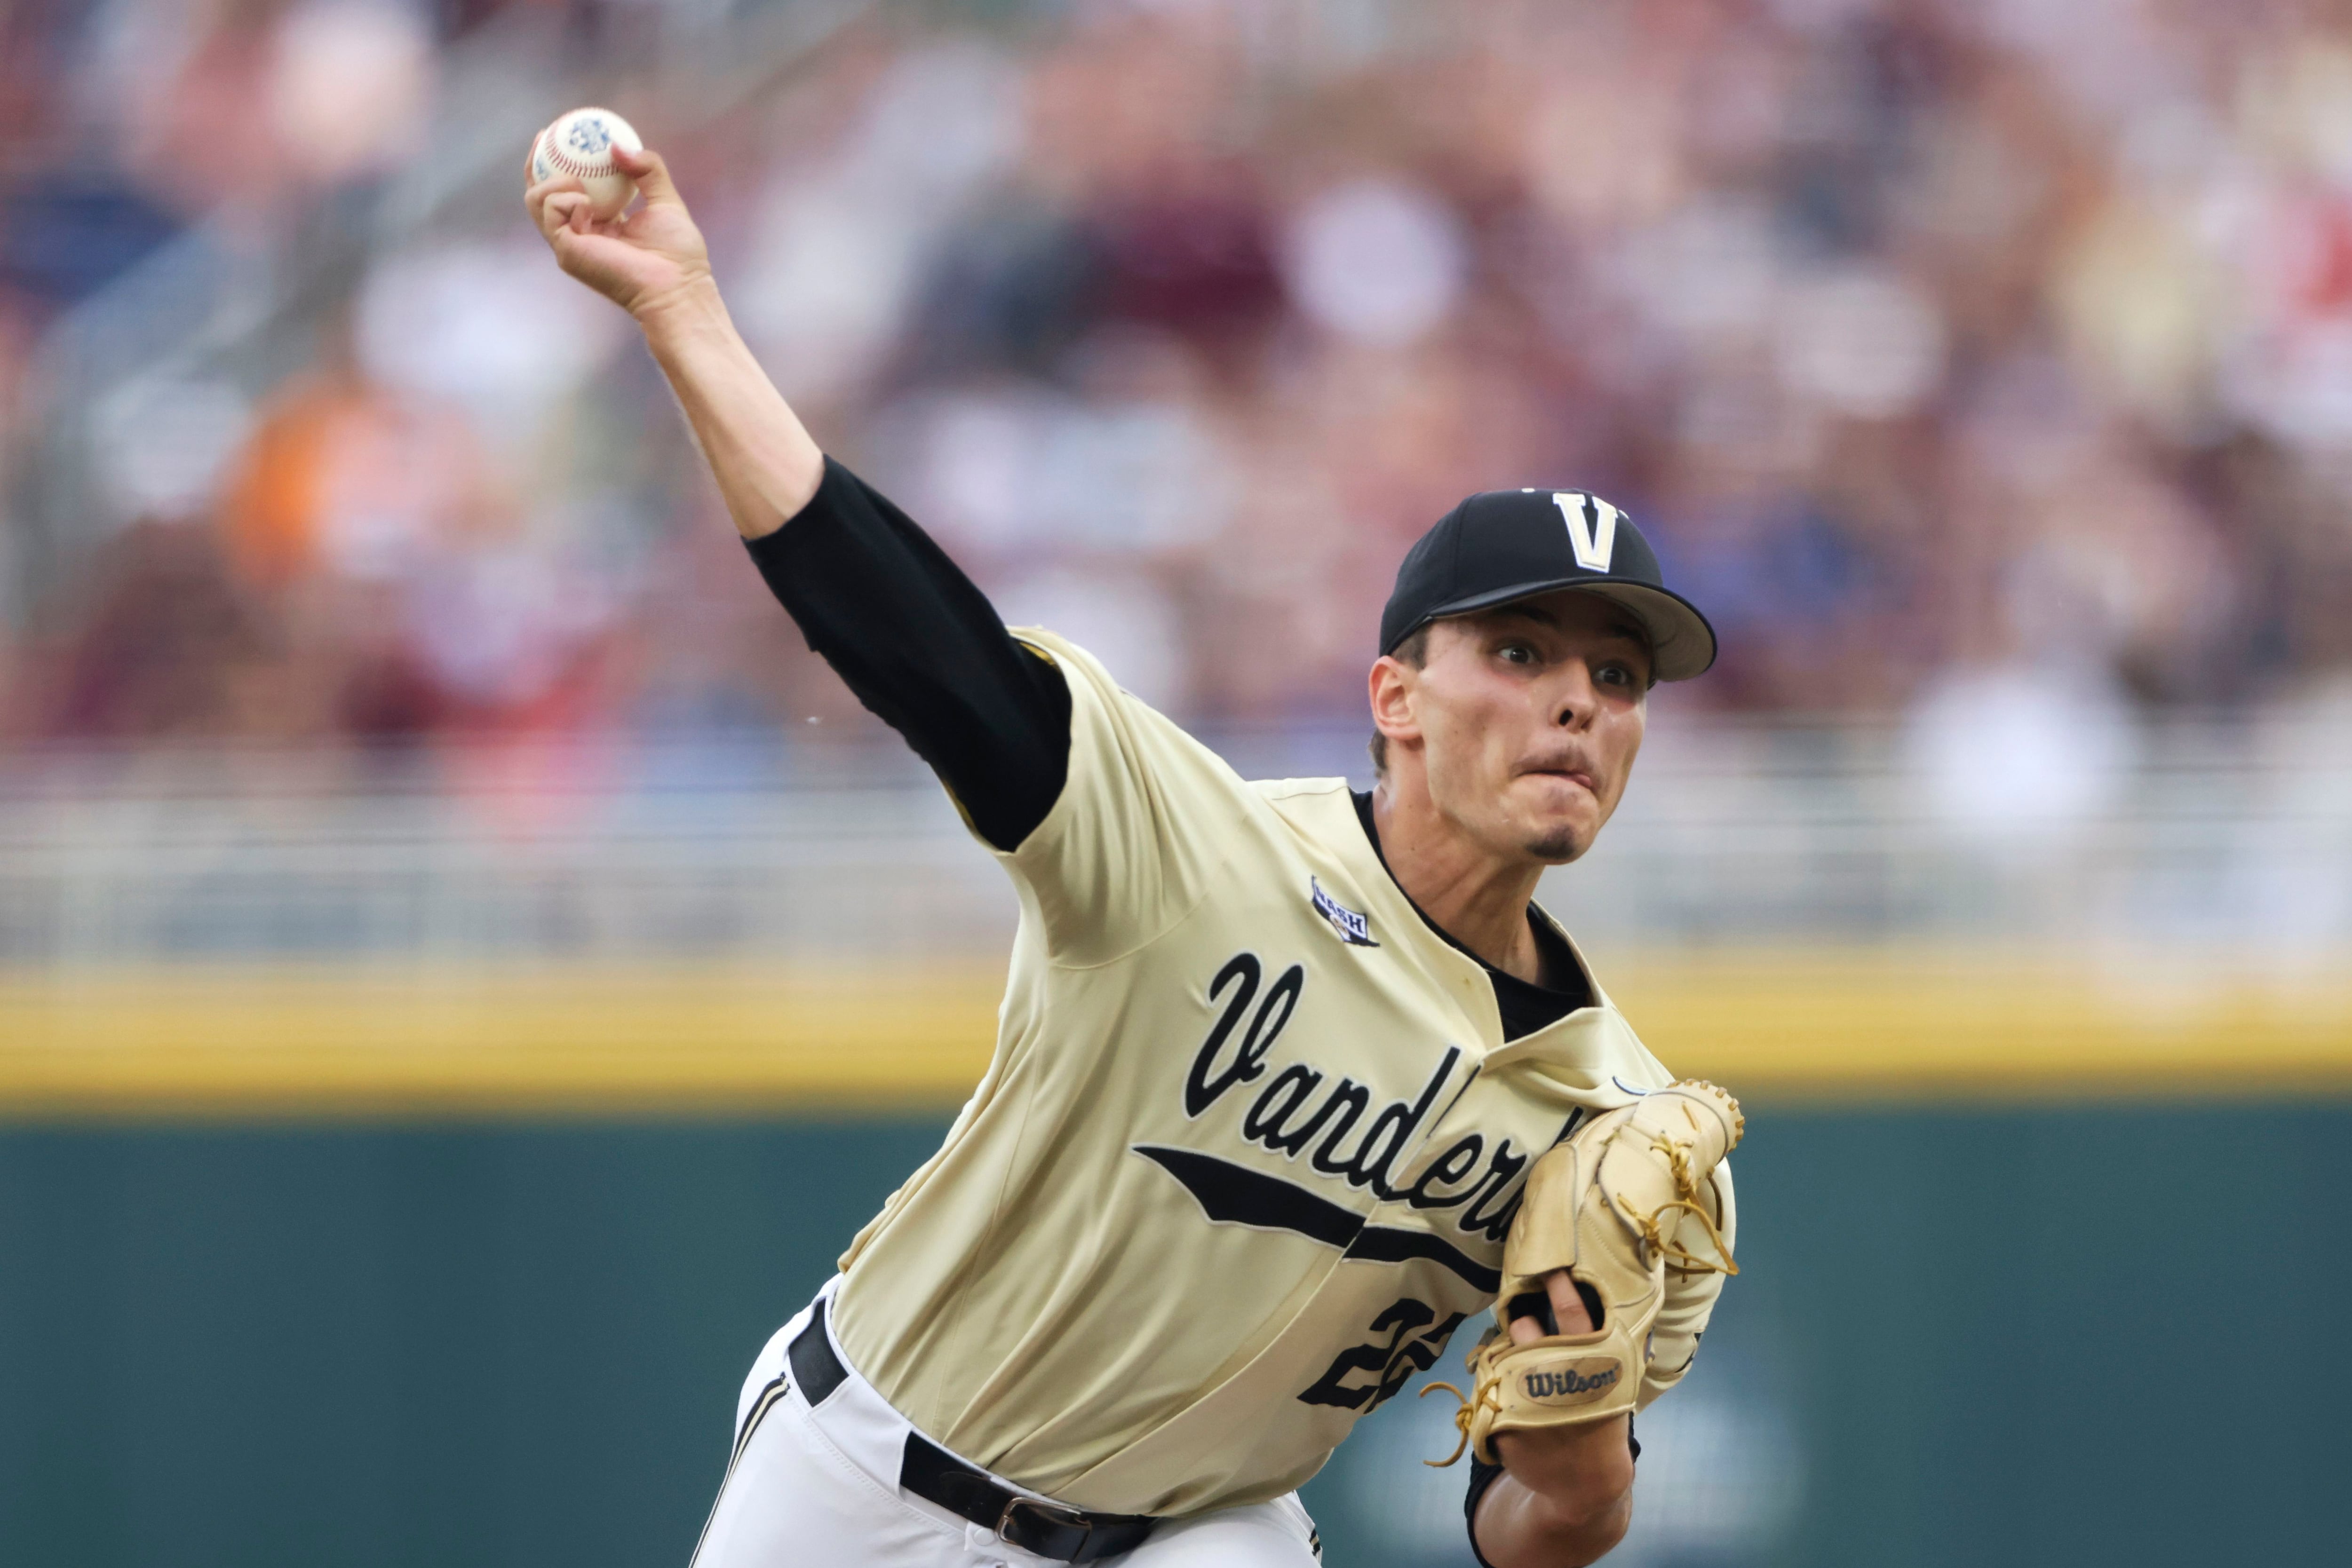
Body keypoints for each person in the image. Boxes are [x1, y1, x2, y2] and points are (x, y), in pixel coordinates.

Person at [527, 138, 1735, 1568]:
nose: (1578, 702)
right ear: (1394, 699)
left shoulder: (1610, 1120)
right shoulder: (1191, 848)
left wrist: (1584, 1449)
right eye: (1521, 651)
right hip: (876, 1474)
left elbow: (1530, 1534)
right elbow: (919, 646)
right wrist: (687, 317)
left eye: (1619, 675)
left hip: (1196, 1536)